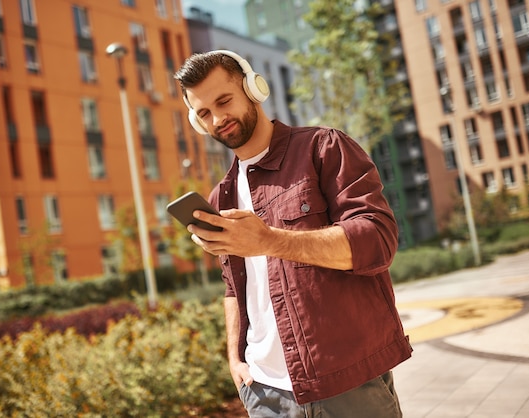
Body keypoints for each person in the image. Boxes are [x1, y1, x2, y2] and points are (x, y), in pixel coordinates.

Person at [174, 50, 412, 418]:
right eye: (204, 113)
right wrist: (235, 359)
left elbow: (377, 241)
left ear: (254, 88)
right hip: (265, 393)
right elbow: (234, 287)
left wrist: (268, 240)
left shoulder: (323, 147)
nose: (218, 118)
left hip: (346, 383)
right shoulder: (218, 197)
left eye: (224, 101)